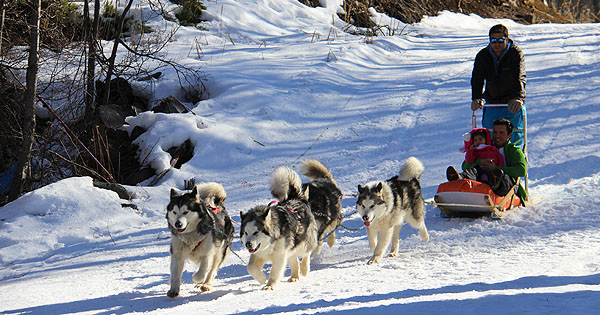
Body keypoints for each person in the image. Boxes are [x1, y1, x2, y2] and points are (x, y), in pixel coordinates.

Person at [471, 24, 526, 145]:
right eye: (493, 40)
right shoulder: (483, 55)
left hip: (511, 101)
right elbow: (477, 78)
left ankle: (515, 159)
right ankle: (492, 158)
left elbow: (520, 76)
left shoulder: (515, 53)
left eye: (501, 40)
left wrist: (518, 97)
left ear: (507, 39)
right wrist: (476, 98)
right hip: (492, 101)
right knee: (491, 136)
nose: (497, 44)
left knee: (513, 136)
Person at [447, 118, 527, 200]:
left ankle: (495, 182)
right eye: (495, 132)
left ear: (509, 135)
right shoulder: (486, 146)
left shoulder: (514, 150)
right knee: (473, 172)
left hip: (504, 184)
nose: (497, 136)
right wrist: (480, 162)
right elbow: (465, 165)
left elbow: (522, 170)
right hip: (481, 179)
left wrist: (495, 168)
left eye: (501, 133)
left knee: (502, 176)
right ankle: (459, 179)